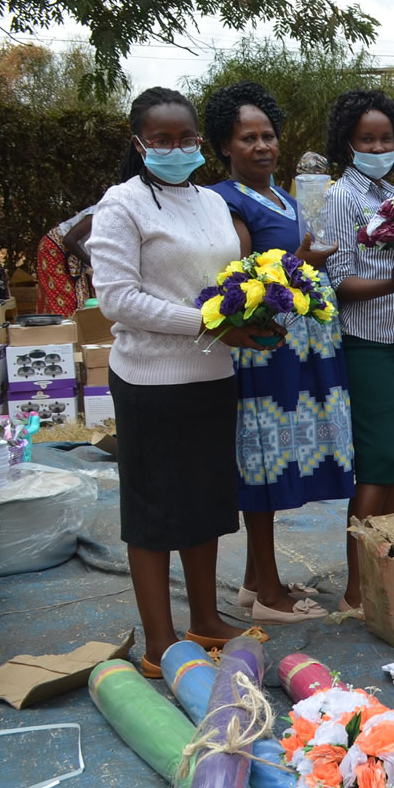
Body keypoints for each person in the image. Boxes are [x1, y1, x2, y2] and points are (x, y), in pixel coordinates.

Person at [89, 86, 280, 676]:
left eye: (186, 138)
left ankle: (205, 618)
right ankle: (161, 642)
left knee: (205, 499)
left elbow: (224, 280)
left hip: (212, 371)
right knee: (154, 511)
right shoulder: (121, 206)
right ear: (139, 142)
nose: (176, 148)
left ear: (201, 140)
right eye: (162, 140)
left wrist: (254, 311)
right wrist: (207, 322)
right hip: (150, 379)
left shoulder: (212, 202)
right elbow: (117, 299)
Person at [202, 81, 353, 623]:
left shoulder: (284, 196)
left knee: (284, 456)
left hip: (303, 343)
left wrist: (309, 259)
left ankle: (251, 581)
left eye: (268, 136)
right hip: (266, 346)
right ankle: (268, 593)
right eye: (249, 138)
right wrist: (300, 261)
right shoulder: (226, 201)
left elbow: (292, 261)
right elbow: (238, 276)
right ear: (225, 146)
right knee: (264, 461)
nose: (262, 146)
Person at [321, 89, 394, 610]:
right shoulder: (343, 197)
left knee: (389, 467)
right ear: (348, 143)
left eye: (386, 137)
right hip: (367, 343)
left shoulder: (393, 196)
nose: (377, 145)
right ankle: (356, 590)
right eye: (367, 138)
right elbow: (338, 281)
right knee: (374, 468)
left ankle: (382, 577)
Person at [35, 206, 96, 315]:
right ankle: (63, 331)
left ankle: (74, 329)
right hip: (55, 249)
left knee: (81, 299)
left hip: (73, 253)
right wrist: (93, 264)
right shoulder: (100, 212)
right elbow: (69, 239)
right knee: (64, 300)